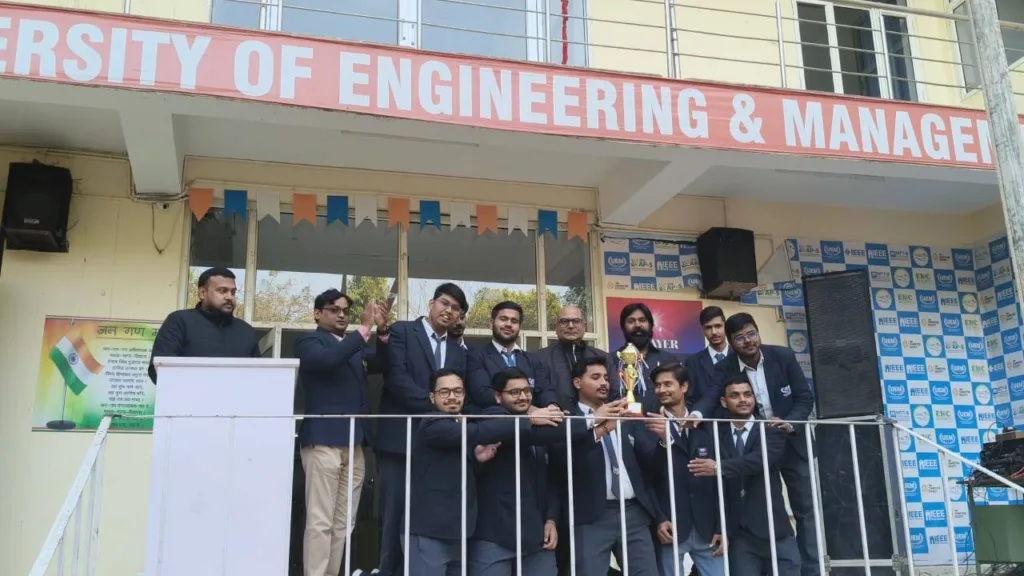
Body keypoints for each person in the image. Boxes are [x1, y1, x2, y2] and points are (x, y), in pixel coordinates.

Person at [690, 313, 817, 576]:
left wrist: (789, 423)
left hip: (791, 441)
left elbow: (804, 398)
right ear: (730, 342)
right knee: (756, 504)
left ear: (758, 333)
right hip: (755, 446)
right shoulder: (725, 366)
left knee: (805, 509)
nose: (748, 341)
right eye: (739, 338)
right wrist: (696, 414)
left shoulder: (782, 356)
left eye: (751, 334)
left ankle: (811, 570)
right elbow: (713, 395)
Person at [294, 289, 390, 576]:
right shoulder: (309, 342)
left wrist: (383, 331)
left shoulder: (354, 346)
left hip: (355, 442)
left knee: (344, 521)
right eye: (334, 310)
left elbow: (383, 364)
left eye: (346, 311)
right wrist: (364, 329)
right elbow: (327, 361)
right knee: (320, 520)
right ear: (317, 314)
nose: (342, 315)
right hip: (323, 440)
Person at [377, 283, 470, 576]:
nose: (449, 311)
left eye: (456, 309)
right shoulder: (403, 331)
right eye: (445, 303)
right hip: (400, 442)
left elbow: (458, 393)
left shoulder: (458, 350)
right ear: (431, 303)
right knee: (394, 516)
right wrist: (438, 411)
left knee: (428, 522)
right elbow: (397, 378)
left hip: (439, 449)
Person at [407, 369, 533, 576]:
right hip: (430, 531)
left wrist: (476, 459)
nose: (452, 397)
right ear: (432, 397)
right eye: (444, 392)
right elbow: (477, 432)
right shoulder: (431, 422)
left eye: (458, 391)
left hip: (460, 532)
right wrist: (527, 420)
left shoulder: (460, 423)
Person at [553, 356, 662, 576]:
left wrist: (663, 441)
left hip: (634, 513)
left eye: (605, 377)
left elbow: (647, 464)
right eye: (595, 377)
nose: (603, 382)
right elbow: (561, 461)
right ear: (577, 382)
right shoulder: (568, 418)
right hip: (592, 515)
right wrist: (597, 427)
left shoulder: (624, 415)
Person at [689, 373, 800, 576]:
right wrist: (721, 527)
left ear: (754, 398)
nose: (742, 400)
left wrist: (719, 467)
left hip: (774, 529)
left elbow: (758, 461)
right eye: (735, 395)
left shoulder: (771, 430)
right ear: (724, 401)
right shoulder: (716, 433)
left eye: (747, 394)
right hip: (740, 534)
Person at [471, 367, 566, 576]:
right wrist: (530, 419)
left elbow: (550, 478)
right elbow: (505, 427)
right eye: (514, 392)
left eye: (526, 391)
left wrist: (551, 518)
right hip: (494, 536)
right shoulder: (491, 416)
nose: (523, 397)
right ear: (498, 396)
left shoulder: (540, 424)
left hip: (537, 536)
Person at [635, 363, 724, 576]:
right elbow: (646, 476)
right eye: (657, 386)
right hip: (671, 526)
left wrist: (722, 526)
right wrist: (659, 519)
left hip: (707, 528)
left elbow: (721, 480)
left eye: (668, 384)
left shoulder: (706, 423)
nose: (661, 390)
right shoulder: (647, 424)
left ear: (684, 387)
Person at [148, 267, 260, 383]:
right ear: (202, 293)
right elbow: (159, 370)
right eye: (222, 291)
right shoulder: (180, 321)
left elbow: (258, 377)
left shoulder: (246, 331)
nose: (229, 297)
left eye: (233, 292)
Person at [467, 301, 559, 411]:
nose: (509, 324)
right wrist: (529, 410)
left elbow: (544, 389)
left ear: (519, 327)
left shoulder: (532, 359)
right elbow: (481, 393)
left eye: (514, 321)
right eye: (503, 319)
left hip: (535, 421)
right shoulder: (477, 356)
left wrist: (552, 406)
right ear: (491, 324)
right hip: (496, 419)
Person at [534, 305, 616, 409]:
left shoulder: (603, 357)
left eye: (576, 321)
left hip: (599, 417)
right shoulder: (539, 358)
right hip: (557, 417)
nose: (571, 326)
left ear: (584, 326)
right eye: (564, 321)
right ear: (556, 327)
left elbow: (614, 394)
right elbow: (539, 392)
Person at [612, 303, 678, 411]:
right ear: (623, 327)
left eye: (642, 320)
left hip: (660, 420)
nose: (637, 325)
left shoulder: (668, 360)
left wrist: (668, 418)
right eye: (631, 321)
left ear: (651, 325)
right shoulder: (612, 360)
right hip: (623, 420)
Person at [683, 306, 729, 410]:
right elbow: (689, 399)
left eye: (718, 326)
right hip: (704, 418)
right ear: (703, 330)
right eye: (708, 327)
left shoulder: (739, 356)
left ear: (725, 326)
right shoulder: (692, 363)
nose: (714, 332)